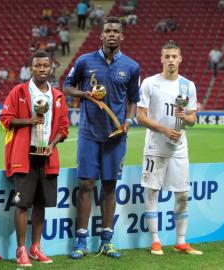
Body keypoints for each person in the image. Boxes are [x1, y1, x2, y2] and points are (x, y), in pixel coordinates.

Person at [63, 16, 140, 259]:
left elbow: (133, 100)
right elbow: (66, 86)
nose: (112, 34)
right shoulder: (85, 61)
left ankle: (106, 240)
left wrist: (127, 121)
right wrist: (85, 94)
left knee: (109, 187)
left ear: (122, 36)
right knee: (85, 185)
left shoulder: (131, 66)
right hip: (88, 133)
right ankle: (81, 241)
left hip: (115, 137)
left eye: (116, 31)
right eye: (108, 30)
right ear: (101, 35)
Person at [0, 50, 70, 267]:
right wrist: (30, 120)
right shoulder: (19, 91)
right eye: (37, 66)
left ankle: (36, 247)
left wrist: (53, 144)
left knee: (41, 205)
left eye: (45, 66)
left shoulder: (57, 96)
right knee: (22, 205)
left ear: (51, 68)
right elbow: (5, 119)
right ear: (31, 68)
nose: (41, 69)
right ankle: (21, 250)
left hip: (47, 157)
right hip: (24, 157)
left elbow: (63, 128)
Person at [136, 40, 203, 257]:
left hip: (179, 147)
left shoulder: (188, 86)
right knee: (152, 191)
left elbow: (193, 119)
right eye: (168, 56)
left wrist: (187, 118)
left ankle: (181, 242)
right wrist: (163, 130)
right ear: (161, 58)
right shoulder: (149, 83)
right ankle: (156, 241)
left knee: (182, 194)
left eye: (175, 56)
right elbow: (140, 117)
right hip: (155, 146)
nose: (171, 60)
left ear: (180, 59)